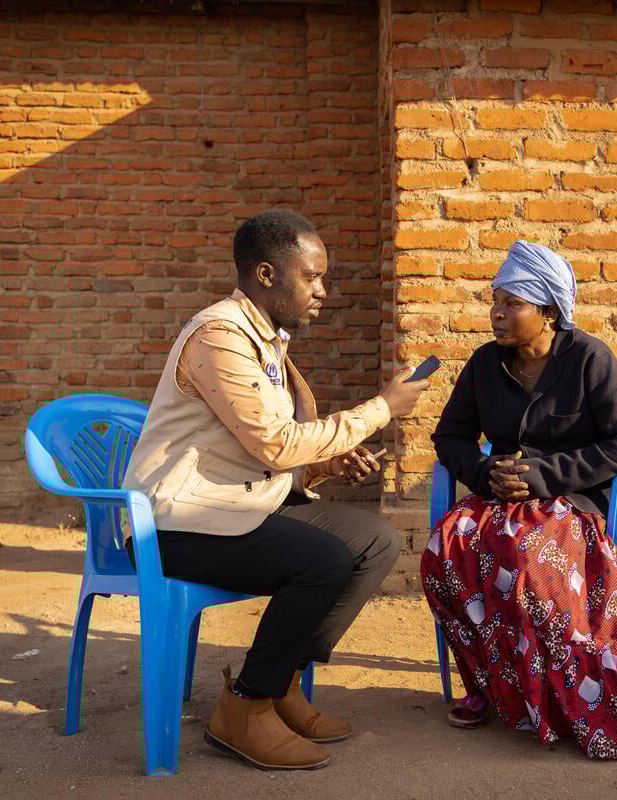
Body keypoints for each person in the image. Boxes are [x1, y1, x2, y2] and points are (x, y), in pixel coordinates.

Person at [122, 209, 429, 771]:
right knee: (322, 559)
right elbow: (275, 443)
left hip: (230, 506)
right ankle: (245, 707)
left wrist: (325, 468)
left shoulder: (266, 341)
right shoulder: (220, 336)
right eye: (311, 278)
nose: (322, 291)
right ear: (266, 275)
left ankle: (280, 681)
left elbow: (258, 455)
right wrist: (382, 409)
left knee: (374, 541)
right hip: (172, 523)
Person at [421, 240, 617, 760]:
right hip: (505, 499)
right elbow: (449, 437)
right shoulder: (485, 364)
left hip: (578, 500)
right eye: (494, 300)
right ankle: (492, 685)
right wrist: (485, 471)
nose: (496, 313)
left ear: (548, 311)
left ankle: (561, 699)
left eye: (511, 303)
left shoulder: (588, 359)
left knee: (531, 560)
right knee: (446, 551)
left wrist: (548, 475)